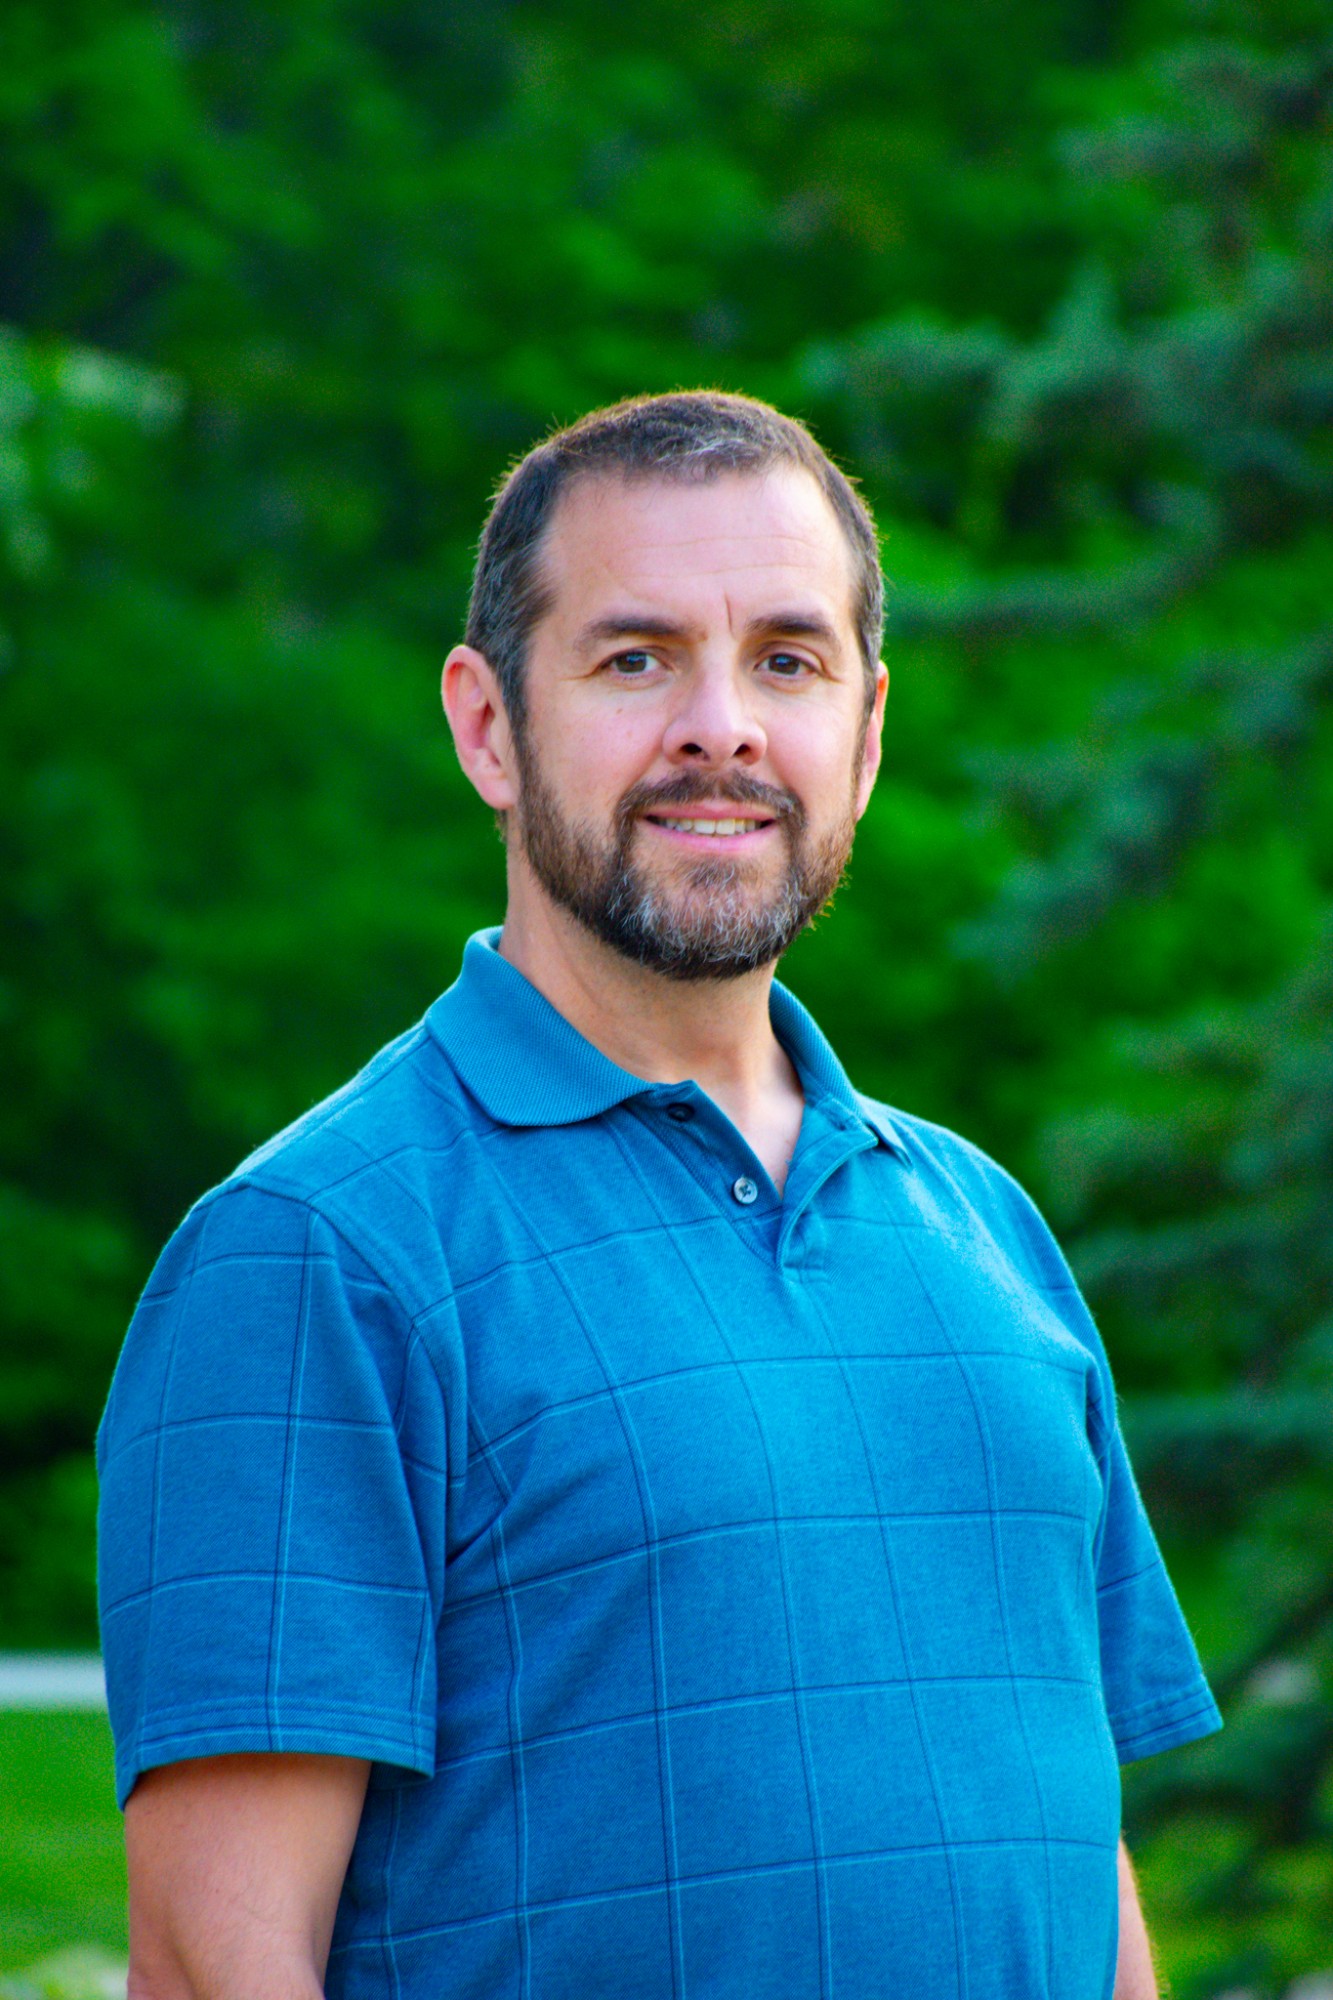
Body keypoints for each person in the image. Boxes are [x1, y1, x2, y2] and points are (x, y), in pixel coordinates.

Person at [98, 390, 1221, 2000]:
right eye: (634, 659)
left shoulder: (984, 1233)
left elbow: (1071, 1860)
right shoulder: (315, 1255)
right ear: (489, 727)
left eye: (787, 658)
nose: (723, 727)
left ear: (869, 729)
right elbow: (217, 1972)